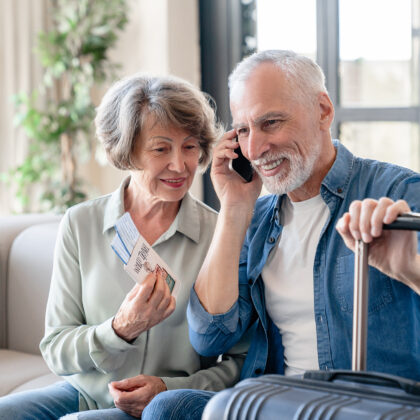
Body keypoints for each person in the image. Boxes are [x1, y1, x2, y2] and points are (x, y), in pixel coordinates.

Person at [142, 49, 420, 419]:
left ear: (323, 111)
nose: (254, 148)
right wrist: (234, 208)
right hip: (277, 403)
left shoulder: (397, 194)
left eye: (271, 123)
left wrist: (407, 268)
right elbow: (210, 336)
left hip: (369, 407)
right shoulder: (256, 219)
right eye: (243, 130)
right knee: (169, 409)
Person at [0, 74, 247, 420]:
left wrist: (168, 388)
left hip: (161, 407)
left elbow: (242, 362)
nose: (179, 165)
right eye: (161, 148)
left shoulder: (217, 235)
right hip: (84, 393)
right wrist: (118, 329)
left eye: (190, 147)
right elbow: (55, 347)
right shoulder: (80, 223)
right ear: (127, 150)